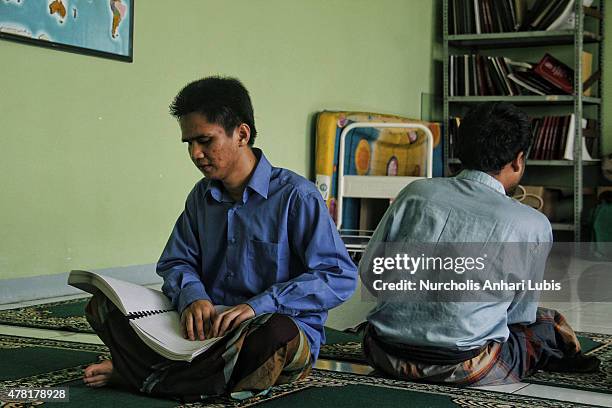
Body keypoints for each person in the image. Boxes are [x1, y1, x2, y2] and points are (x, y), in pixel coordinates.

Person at [83, 76, 357, 400]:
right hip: (203, 333)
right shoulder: (201, 197)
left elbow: (339, 276)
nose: (196, 154)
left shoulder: (297, 197)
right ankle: (185, 377)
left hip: (261, 331)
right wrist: (192, 296)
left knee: (274, 336)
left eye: (205, 141)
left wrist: (259, 306)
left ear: (242, 133)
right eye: (188, 143)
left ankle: (137, 375)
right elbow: (176, 261)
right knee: (103, 305)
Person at [359, 102, 600, 386]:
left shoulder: (415, 193)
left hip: (382, 353)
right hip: (467, 366)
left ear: (461, 149)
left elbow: (370, 273)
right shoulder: (532, 223)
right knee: (545, 324)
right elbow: (518, 316)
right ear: (518, 160)